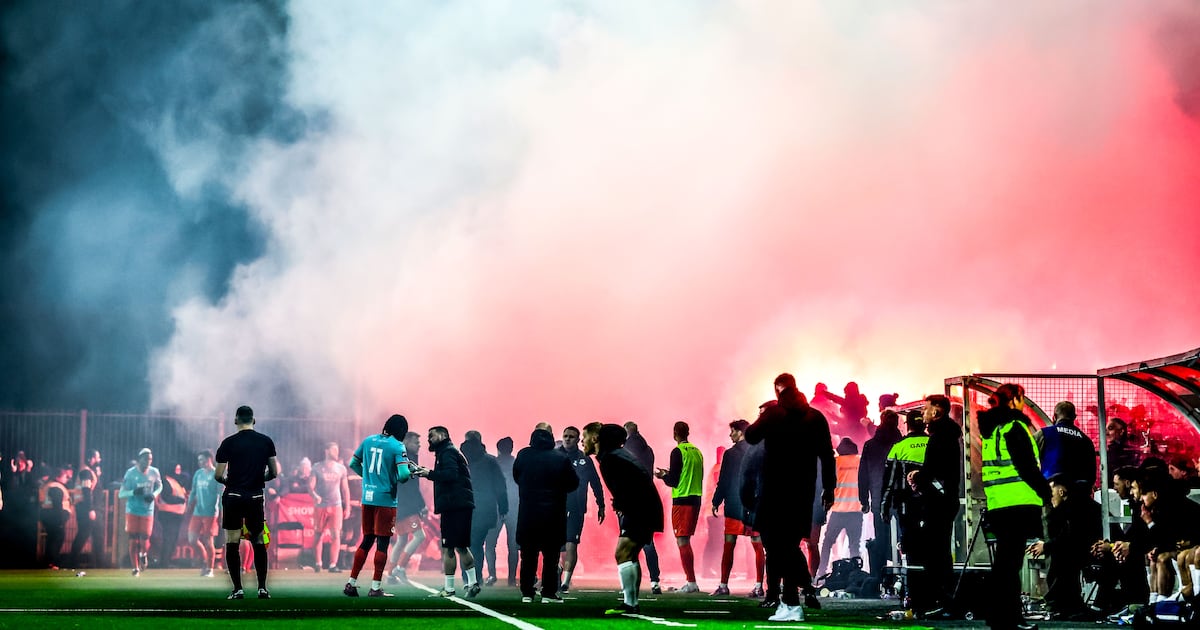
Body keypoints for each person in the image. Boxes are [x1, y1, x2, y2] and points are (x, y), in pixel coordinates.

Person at [744, 373, 836, 623]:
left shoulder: (774, 414)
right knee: (789, 546)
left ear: (777, 391)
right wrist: (829, 489)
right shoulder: (816, 417)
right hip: (803, 491)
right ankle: (790, 598)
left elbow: (751, 435)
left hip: (774, 491)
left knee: (776, 547)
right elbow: (827, 456)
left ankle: (793, 603)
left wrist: (763, 416)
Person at [978, 384, 1047, 630]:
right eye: (1021, 398)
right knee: (1010, 566)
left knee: (1003, 565)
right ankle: (1009, 619)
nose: (1023, 402)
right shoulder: (1015, 427)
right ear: (1014, 400)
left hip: (998, 504)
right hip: (1018, 503)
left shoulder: (991, 430)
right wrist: (1045, 492)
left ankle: (999, 616)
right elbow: (1026, 466)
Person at [583, 422, 665, 616]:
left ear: (595, 439)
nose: (582, 442)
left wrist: (621, 506)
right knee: (629, 554)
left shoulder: (611, 459)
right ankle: (632, 603)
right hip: (644, 508)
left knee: (623, 553)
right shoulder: (614, 456)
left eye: (584, 437)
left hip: (640, 509)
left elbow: (630, 487)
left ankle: (630, 604)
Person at [214, 405, 281, 600]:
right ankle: (262, 588)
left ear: (236, 420)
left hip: (233, 496)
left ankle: (238, 589)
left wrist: (231, 481)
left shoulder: (228, 443)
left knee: (232, 542)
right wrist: (258, 479)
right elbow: (274, 472)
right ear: (254, 420)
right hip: (255, 496)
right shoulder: (266, 442)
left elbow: (218, 475)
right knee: (258, 541)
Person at [342, 414, 412, 598]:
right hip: (386, 500)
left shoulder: (368, 440)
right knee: (383, 543)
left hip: (368, 497)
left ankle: (351, 583)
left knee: (366, 540)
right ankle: (375, 587)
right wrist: (399, 476)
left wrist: (368, 479)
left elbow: (353, 463)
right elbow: (404, 475)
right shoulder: (397, 446)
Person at [906, 394, 962, 618]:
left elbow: (934, 469)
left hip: (939, 502)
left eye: (926, 409)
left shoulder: (941, 437)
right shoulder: (945, 434)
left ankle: (943, 601)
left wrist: (918, 476)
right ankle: (943, 601)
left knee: (935, 553)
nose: (923, 413)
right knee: (938, 551)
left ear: (937, 412)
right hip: (943, 500)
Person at [411, 426, 479, 598]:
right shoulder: (449, 451)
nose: (429, 439)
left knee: (448, 547)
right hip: (460, 505)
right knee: (461, 546)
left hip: (454, 506)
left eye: (431, 435)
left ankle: (449, 588)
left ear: (443, 435)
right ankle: (472, 583)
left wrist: (429, 474)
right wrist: (425, 471)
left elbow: (450, 474)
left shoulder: (447, 453)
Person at [512, 426, 579, 602]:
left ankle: (527, 593)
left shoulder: (523, 455)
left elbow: (516, 477)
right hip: (554, 514)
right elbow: (573, 483)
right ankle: (549, 593)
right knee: (551, 555)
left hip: (528, 513)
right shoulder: (560, 458)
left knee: (528, 555)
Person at [1027, 473, 1101, 621]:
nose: (1050, 496)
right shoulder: (1070, 507)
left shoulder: (1076, 507)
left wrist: (1046, 546)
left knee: (1062, 558)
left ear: (1061, 491)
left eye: (1051, 491)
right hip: (1084, 548)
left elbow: (1071, 536)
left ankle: (1059, 604)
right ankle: (1065, 604)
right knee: (1062, 556)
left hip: (1093, 549)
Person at [711, 419, 765, 597]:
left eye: (732, 431)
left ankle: (724, 585)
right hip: (755, 505)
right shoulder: (759, 451)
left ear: (740, 433)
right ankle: (759, 586)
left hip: (734, 505)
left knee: (729, 544)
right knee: (758, 546)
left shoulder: (730, 454)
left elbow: (724, 481)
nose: (730, 434)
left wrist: (716, 501)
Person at [654, 420, 704, 593]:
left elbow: (674, 481)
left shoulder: (677, 451)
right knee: (685, 539)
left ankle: (691, 582)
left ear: (675, 433)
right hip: (696, 497)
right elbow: (687, 474)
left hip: (682, 499)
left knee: (682, 540)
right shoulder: (697, 451)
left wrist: (662, 476)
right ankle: (691, 581)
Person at [557, 425, 605, 594]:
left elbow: (596, 483)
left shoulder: (585, 459)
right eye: (565, 436)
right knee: (554, 544)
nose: (567, 439)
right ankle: (555, 572)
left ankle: (565, 582)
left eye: (571, 436)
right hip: (555, 507)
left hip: (576, 508)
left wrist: (601, 505)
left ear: (578, 440)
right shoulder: (555, 456)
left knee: (571, 544)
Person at [460, 434, 508, 588]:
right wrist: (503, 506)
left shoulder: (461, 460)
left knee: (464, 544)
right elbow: (500, 485)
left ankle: (467, 577)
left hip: (463, 507)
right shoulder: (490, 461)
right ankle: (477, 577)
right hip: (485, 508)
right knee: (477, 545)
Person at [859, 409, 902, 578]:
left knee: (881, 537)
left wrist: (864, 500)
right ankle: (902, 575)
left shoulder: (870, 445)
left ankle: (882, 577)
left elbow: (863, 474)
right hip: (900, 498)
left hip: (878, 497)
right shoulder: (900, 443)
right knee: (902, 537)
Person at [623, 421, 663, 594]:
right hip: (648, 499)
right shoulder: (648, 449)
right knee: (648, 543)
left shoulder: (627, 449)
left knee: (628, 543)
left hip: (632, 500)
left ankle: (631, 585)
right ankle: (655, 580)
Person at [818, 438, 863, 577]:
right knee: (854, 544)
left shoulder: (835, 462)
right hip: (856, 511)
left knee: (827, 543)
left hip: (838, 511)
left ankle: (821, 571)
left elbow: (827, 486)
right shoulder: (860, 460)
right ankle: (855, 575)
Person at [387, 431, 428, 585]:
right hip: (406, 506)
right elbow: (411, 487)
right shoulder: (407, 459)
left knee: (402, 540)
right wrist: (421, 505)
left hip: (398, 504)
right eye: (416, 442)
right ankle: (400, 568)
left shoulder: (399, 457)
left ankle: (390, 574)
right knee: (419, 536)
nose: (419, 445)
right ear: (407, 442)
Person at [118, 447, 162, 577]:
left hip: (147, 510)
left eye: (150, 459)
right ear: (139, 460)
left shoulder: (154, 472)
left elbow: (160, 486)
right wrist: (133, 492)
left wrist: (154, 494)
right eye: (145, 459)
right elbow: (121, 494)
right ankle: (135, 568)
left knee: (145, 538)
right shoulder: (130, 474)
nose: (148, 461)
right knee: (133, 539)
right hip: (132, 510)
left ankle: (143, 554)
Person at [1034, 401, 1097, 492]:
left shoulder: (1043, 434)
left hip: (1050, 491)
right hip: (1077, 493)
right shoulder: (1086, 440)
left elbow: (1026, 457)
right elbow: (1091, 475)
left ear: (1054, 417)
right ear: (1074, 417)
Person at [312, 442, 350, 573]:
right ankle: (318, 563)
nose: (337, 452)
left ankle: (333, 565)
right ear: (327, 451)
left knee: (336, 535)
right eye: (334, 450)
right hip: (321, 506)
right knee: (318, 534)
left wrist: (348, 506)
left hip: (336, 505)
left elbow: (345, 489)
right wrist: (315, 495)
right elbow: (310, 486)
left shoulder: (341, 468)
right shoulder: (317, 467)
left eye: (337, 449)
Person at [187, 450, 221, 577]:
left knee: (208, 540)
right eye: (198, 460)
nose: (199, 462)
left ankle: (210, 569)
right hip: (198, 511)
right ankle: (205, 560)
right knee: (192, 539)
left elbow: (221, 494)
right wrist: (189, 504)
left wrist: (222, 511)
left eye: (202, 460)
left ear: (209, 460)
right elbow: (193, 491)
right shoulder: (198, 474)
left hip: (211, 513)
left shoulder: (217, 474)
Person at [492, 436, 519, 586]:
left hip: (496, 508)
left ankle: (491, 575)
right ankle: (511, 579)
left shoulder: (493, 464)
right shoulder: (517, 464)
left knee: (490, 544)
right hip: (513, 508)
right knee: (513, 546)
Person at [154, 463, 188, 568]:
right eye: (177, 469)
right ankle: (164, 562)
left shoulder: (175, 482)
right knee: (168, 538)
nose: (179, 472)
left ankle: (168, 560)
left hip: (176, 515)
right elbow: (166, 497)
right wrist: (181, 500)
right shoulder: (166, 481)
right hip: (168, 515)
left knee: (172, 539)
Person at [39, 466, 73, 569]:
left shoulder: (49, 485)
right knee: (57, 539)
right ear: (59, 477)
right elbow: (57, 505)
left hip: (48, 516)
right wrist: (60, 521)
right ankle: (51, 562)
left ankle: (49, 562)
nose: (66, 478)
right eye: (65, 476)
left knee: (52, 539)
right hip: (55, 518)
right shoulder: (56, 487)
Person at [69, 467, 99, 570]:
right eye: (97, 457)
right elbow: (86, 490)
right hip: (84, 507)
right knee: (83, 534)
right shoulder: (86, 472)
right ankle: (72, 561)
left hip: (81, 506)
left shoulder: (84, 471)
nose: (99, 459)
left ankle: (73, 560)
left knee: (83, 534)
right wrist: (90, 509)